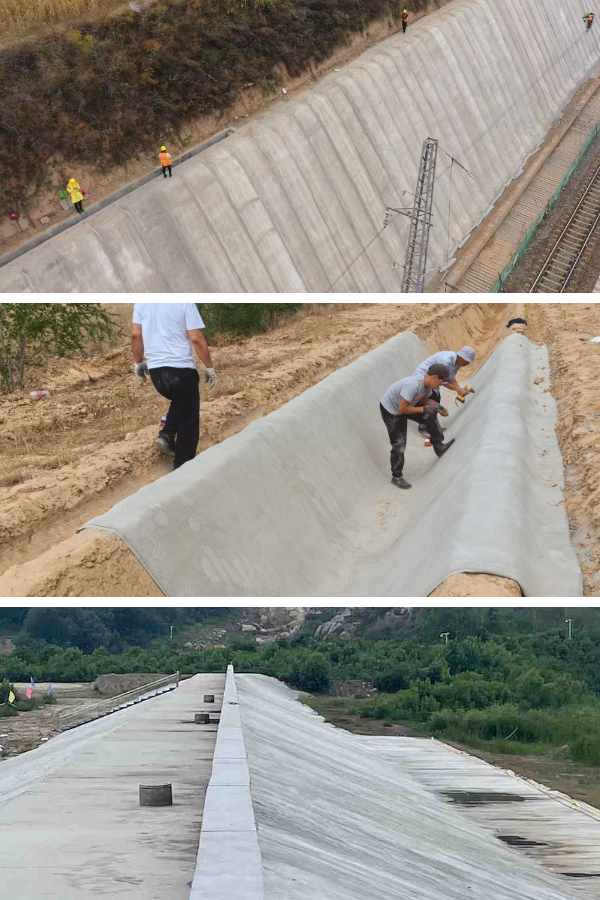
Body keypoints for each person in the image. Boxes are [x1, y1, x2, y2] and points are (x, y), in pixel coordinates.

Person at [131, 303, 216, 470]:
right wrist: (209, 366)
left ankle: (167, 435)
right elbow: (196, 337)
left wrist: (139, 362)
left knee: (179, 402)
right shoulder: (185, 301)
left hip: (156, 372)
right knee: (189, 421)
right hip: (181, 370)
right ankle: (183, 467)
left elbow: (135, 335)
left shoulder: (141, 302)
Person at [380, 363, 456, 490]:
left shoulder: (427, 385)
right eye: (441, 382)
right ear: (435, 377)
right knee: (399, 443)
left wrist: (438, 407)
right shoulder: (414, 385)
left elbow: (425, 400)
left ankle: (439, 446)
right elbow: (402, 409)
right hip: (392, 410)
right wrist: (424, 409)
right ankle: (397, 477)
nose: (441, 385)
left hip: (405, 406)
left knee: (430, 414)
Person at [412, 346, 476, 436]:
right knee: (429, 401)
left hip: (434, 379)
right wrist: (457, 389)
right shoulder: (445, 360)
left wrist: (459, 389)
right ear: (462, 358)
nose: (468, 364)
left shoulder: (457, 363)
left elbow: (451, 378)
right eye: (467, 361)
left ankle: (432, 426)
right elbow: (443, 381)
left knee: (436, 400)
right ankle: (422, 428)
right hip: (423, 377)